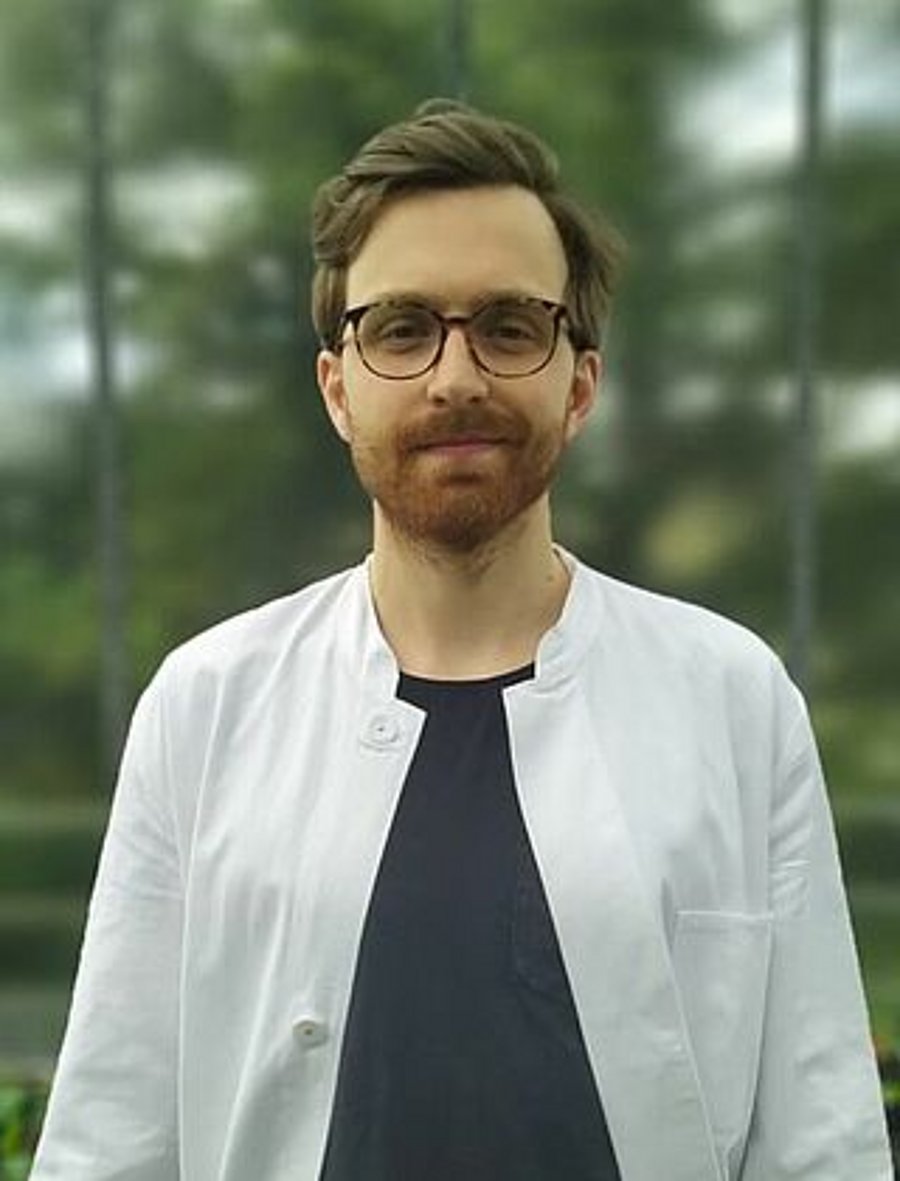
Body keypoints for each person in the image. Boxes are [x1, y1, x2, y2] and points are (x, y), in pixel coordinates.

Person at [31, 100, 891, 1181]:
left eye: (508, 325)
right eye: (401, 328)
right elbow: (112, 1137)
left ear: (579, 382)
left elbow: (820, 1135)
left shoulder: (731, 694)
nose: (454, 376)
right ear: (337, 387)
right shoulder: (205, 702)